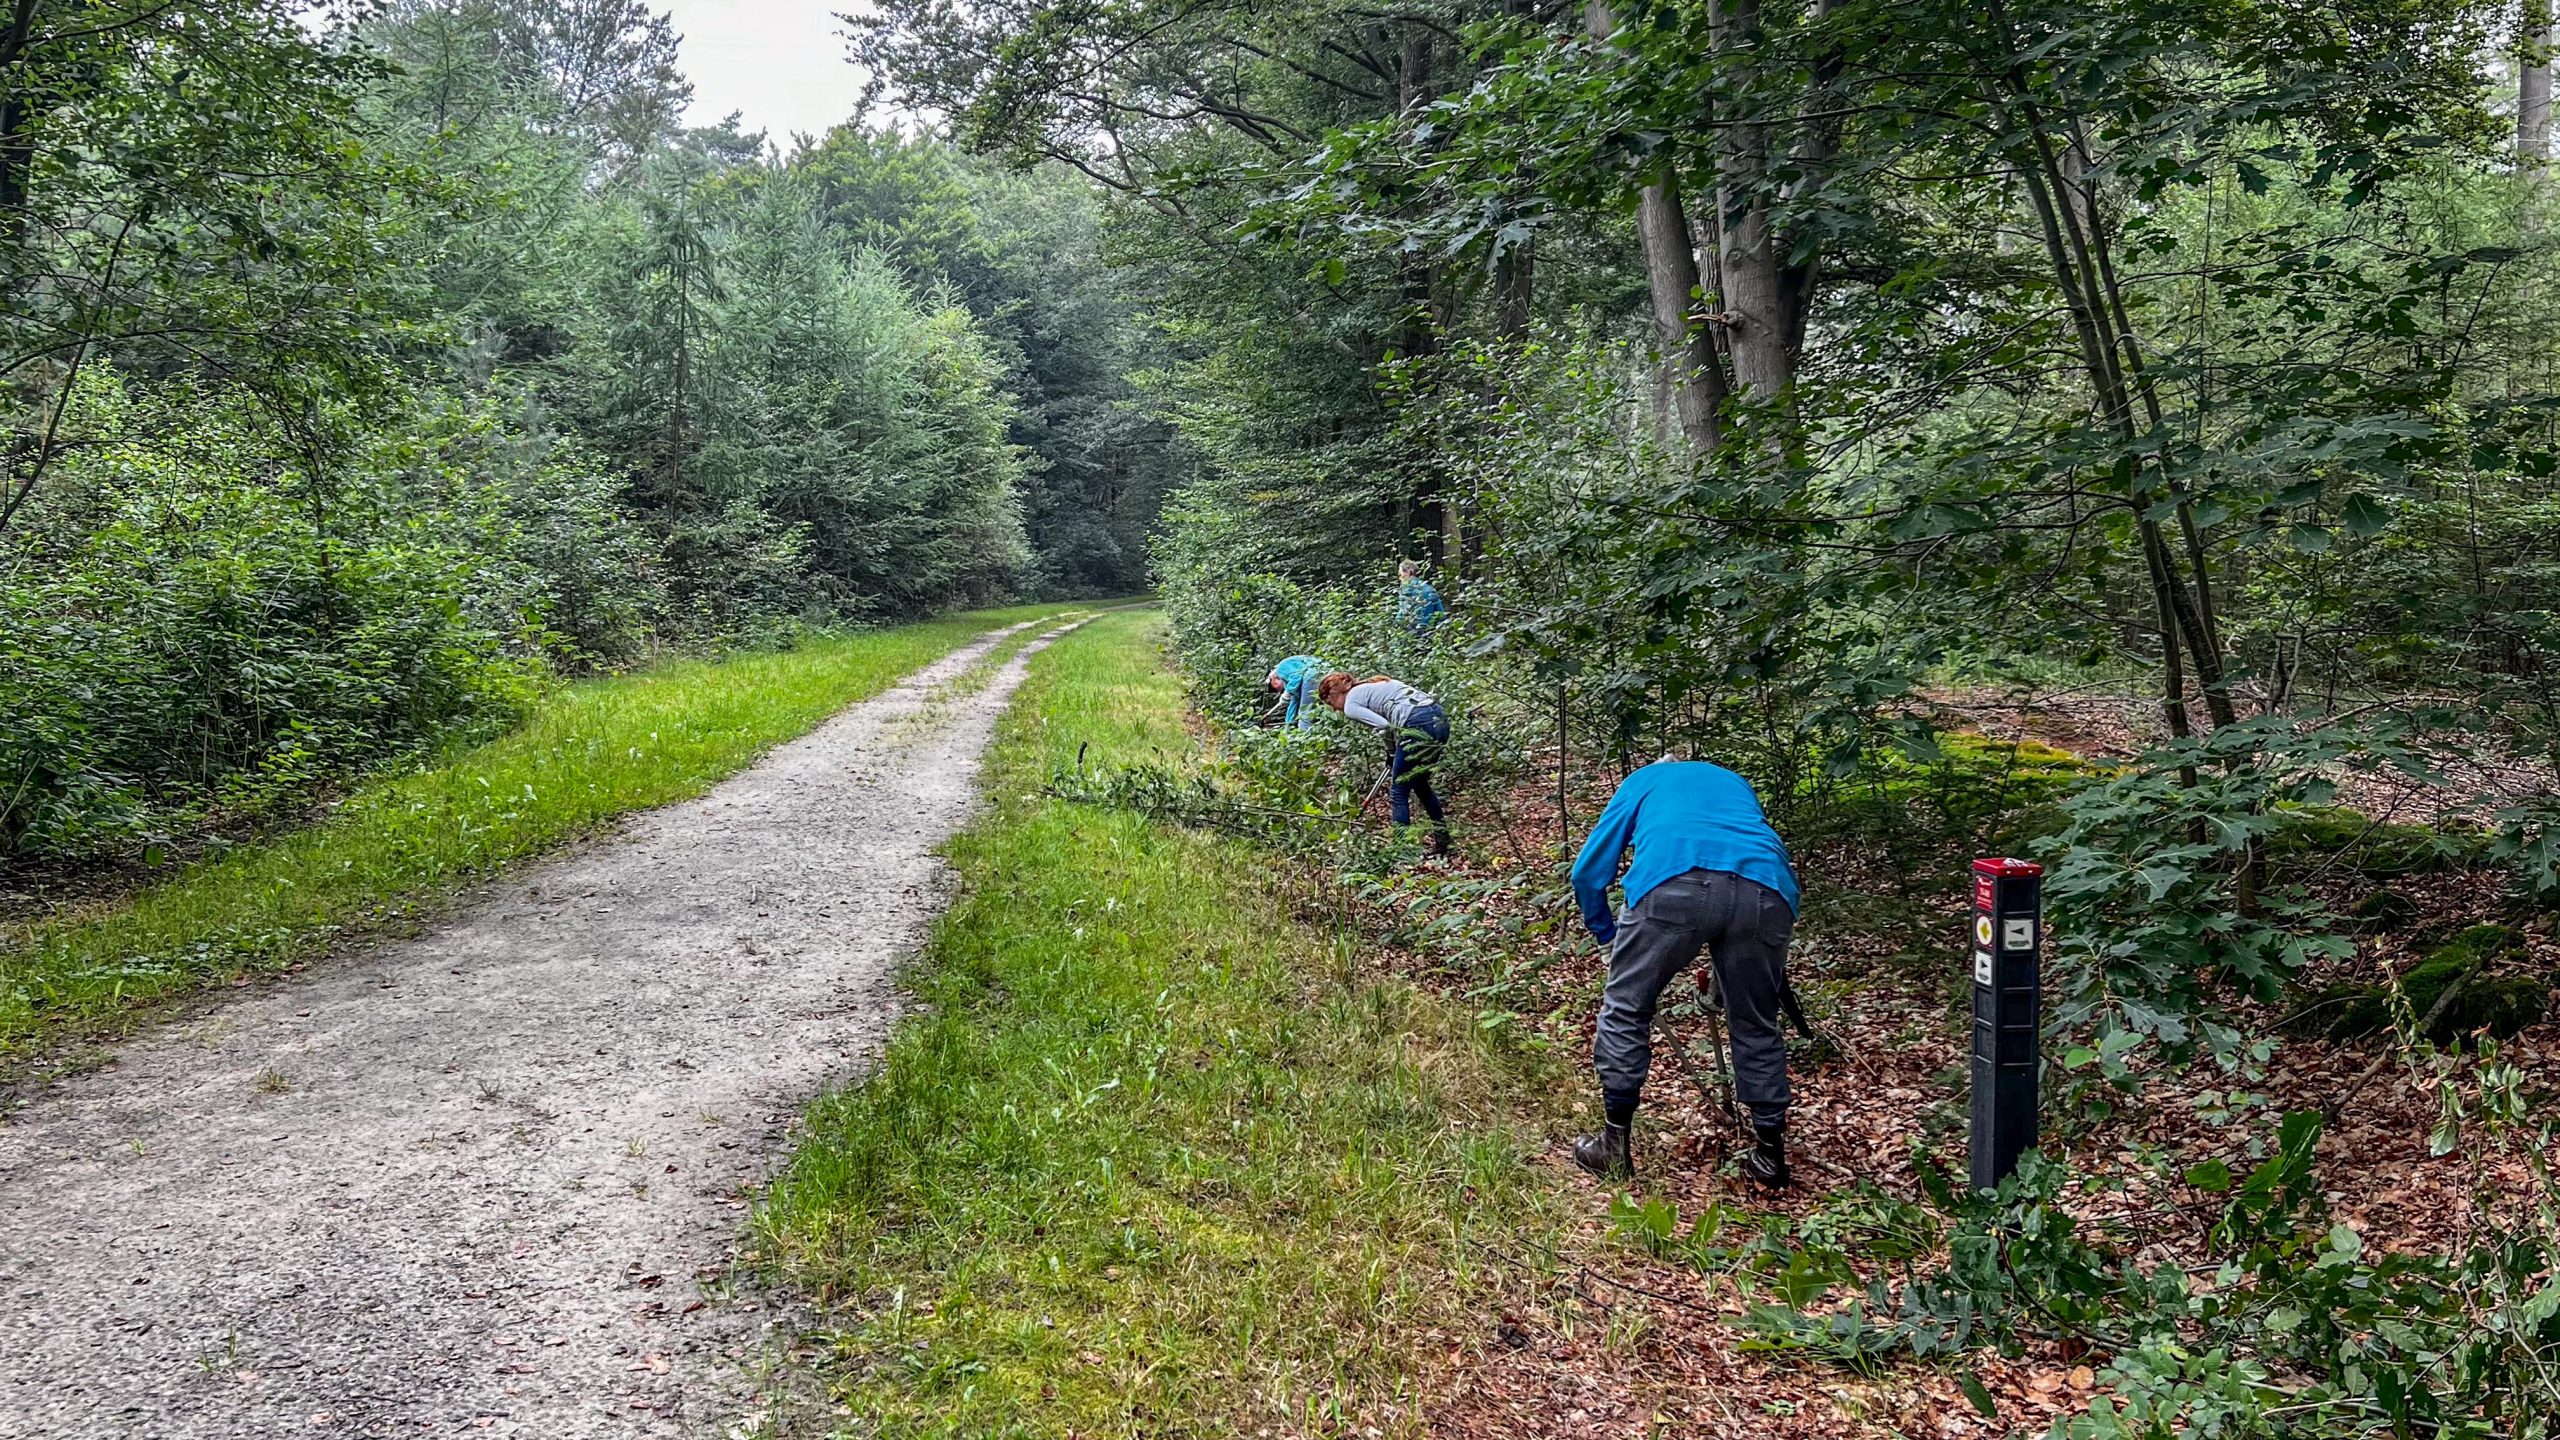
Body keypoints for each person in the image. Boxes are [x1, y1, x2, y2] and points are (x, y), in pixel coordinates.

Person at [1567, 760, 1800, 1187]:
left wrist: (1605, 935)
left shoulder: (1644, 780)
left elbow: (1587, 874)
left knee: (1626, 1007)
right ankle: (1770, 1156)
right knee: (1757, 1022)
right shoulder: (1734, 780)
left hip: (1672, 882)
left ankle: (1614, 1147)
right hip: (1769, 890)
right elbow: (1732, 862)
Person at [1317, 671, 1452, 856]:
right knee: (1420, 783)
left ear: (1333, 693)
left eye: (1330, 703)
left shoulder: (1351, 704)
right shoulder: (1371, 686)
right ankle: (1443, 842)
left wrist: (1391, 751)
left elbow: (1383, 726)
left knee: (1398, 791)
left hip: (1417, 723)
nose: (1334, 709)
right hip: (1439, 718)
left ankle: (1401, 852)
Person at [1265, 654, 1326, 729]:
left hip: (1313, 674)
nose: (1278, 690)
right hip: (1327, 671)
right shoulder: (1290, 683)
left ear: (1273, 678)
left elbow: (1297, 676)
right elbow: (1293, 705)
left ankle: (1304, 738)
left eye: (1274, 688)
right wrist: (1288, 726)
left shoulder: (1281, 669)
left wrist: (1288, 692)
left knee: (1304, 714)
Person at [1394, 560, 1445, 634]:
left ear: (1408, 572)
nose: (1399, 578)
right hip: (1429, 631)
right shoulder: (1430, 588)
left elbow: (1402, 614)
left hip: (1412, 632)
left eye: (1400, 574)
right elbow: (1441, 613)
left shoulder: (1406, 588)